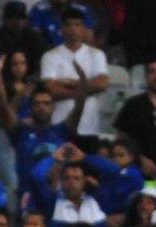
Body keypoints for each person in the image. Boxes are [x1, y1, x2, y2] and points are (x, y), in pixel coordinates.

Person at [39, 9, 107, 137]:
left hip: (89, 127)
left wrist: (67, 83)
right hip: (59, 124)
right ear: (62, 29)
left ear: (84, 29)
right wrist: (85, 88)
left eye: (77, 24)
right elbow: (51, 90)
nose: (72, 29)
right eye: (68, 24)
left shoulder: (97, 55)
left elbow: (102, 84)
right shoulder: (49, 56)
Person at [114, 56, 156, 179]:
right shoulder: (133, 105)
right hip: (141, 176)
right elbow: (121, 140)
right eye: (152, 71)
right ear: (145, 76)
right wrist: (139, 159)